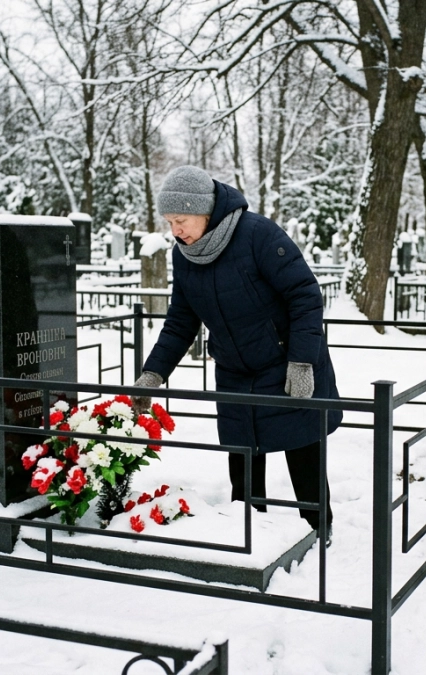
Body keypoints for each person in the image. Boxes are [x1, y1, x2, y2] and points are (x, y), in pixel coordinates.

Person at [130, 166, 341, 532]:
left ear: (205, 212)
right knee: (243, 464)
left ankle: (319, 530)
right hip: (234, 369)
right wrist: (154, 373)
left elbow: (304, 296)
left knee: (302, 452)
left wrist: (302, 362)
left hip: (285, 362)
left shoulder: (257, 234)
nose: (175, 230)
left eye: (181, 220)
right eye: (169, 222)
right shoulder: (185, 255)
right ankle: (248, 535)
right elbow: (182, 320)